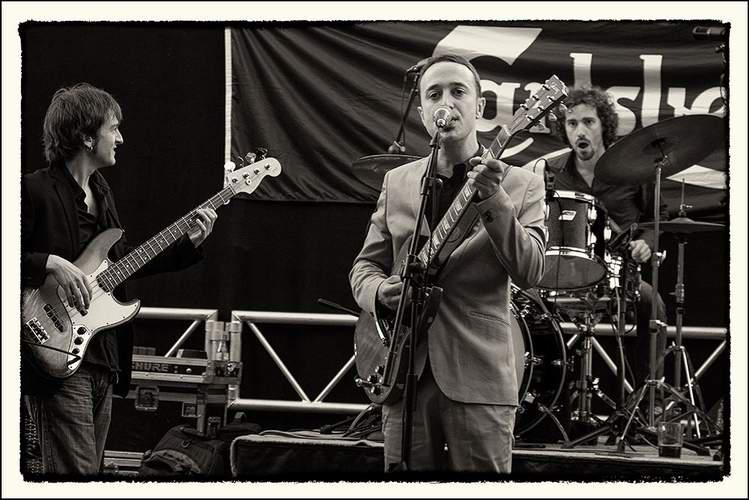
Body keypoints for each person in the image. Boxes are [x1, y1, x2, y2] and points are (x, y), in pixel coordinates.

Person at [349, 55, 547, 473]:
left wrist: (494, 199)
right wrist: (380, 292)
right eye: (434, 94)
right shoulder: (398, 182)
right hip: (402, 374)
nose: (447, 102)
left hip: (478, 377)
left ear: (479, 106)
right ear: (423, 112)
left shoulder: (521, 184)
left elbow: (531, 271)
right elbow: (363, 269)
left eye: (459, 91)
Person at [21, 83, 218, 477]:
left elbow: (124, 264)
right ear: (86, 136)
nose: (121, 138)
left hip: (101, 357)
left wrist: (187, 245)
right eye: (113, 128)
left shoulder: (103, 194)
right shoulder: (33, 190)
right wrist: (51, 263)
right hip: (54, 351)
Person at [546, 86, 668, 390]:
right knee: (526, 304)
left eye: (588, 122)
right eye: (572, 123)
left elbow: (658, 216)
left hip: (618, 275)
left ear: (604, 126)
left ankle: (648, 396)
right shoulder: (552, 172)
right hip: (563, 274)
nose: (580, 131)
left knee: (652, 302)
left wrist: (646, 242)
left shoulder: (633, 170)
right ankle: (545, 397)